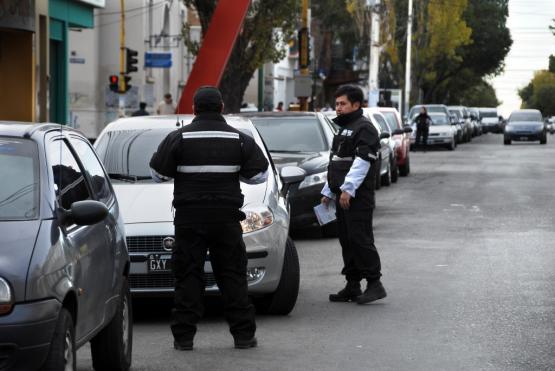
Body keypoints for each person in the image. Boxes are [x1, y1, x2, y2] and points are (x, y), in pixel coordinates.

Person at [149, 86, 269, 351]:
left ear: (194, 108)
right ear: (221, 107)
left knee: (188, 275)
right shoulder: (239, 139)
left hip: (189, 220)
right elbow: (259, 175)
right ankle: (244, 336)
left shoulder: (178, 138)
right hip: (226, 220)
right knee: (233, 275)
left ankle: (184, 338)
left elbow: (158, 174)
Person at [320, 84, 387, 305]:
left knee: (361, 239)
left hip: (357, 196)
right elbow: (336, 163)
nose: (337, 108)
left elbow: (362, 162)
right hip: (342, 195)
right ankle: (352, 284)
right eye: (336, 104)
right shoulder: (344, 127)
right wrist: (328, 191)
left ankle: (375, 284)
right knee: (347, 240)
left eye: (342, 104)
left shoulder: (364, 128)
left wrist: (348, 189)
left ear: (356, 105)